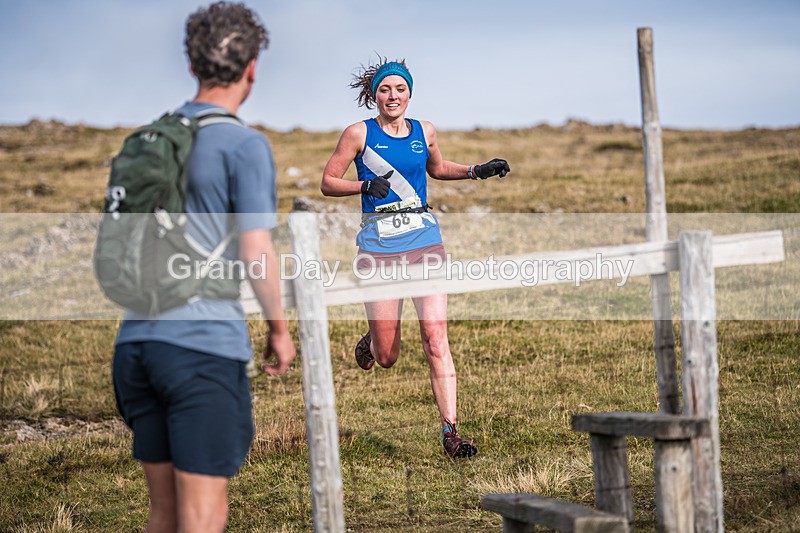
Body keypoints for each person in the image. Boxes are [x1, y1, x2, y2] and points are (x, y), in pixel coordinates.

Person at [111, 3, 295, 531]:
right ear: (252, 68)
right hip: (200, 348)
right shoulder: (244, 144)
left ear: (192, 65)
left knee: (164, 514)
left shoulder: (151, 138)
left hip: (135, 347)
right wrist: (279, 329)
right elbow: (256, 251)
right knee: (202, 516)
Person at [320, 58, 510, 458]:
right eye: (385, 90)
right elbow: (328, 182)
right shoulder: (358, 133)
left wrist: (477, 170)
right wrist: (363, 186)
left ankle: (451, 433)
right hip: (379, 248)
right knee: (388, 357)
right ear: (375, 95)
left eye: (400, 89)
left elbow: (437, 169)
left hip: (425, 241)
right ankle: (374, 341)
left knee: (435, 338)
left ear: (409, 93)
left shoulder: (425, 131)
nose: (393, 96)